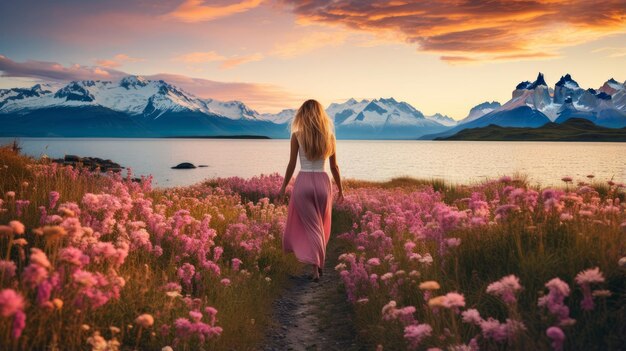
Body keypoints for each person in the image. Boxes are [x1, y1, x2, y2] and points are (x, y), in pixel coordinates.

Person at [279, 99, 344, 282]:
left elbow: (292, 164)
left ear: (302, 115)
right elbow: (334, 167)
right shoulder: (330, 137)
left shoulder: (297, 135)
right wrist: (341, 189)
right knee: (321, 226)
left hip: (303, 183)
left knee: (311, 227)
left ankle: (316, 268)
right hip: (323, 183)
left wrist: (284, 186)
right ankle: (318, 265)